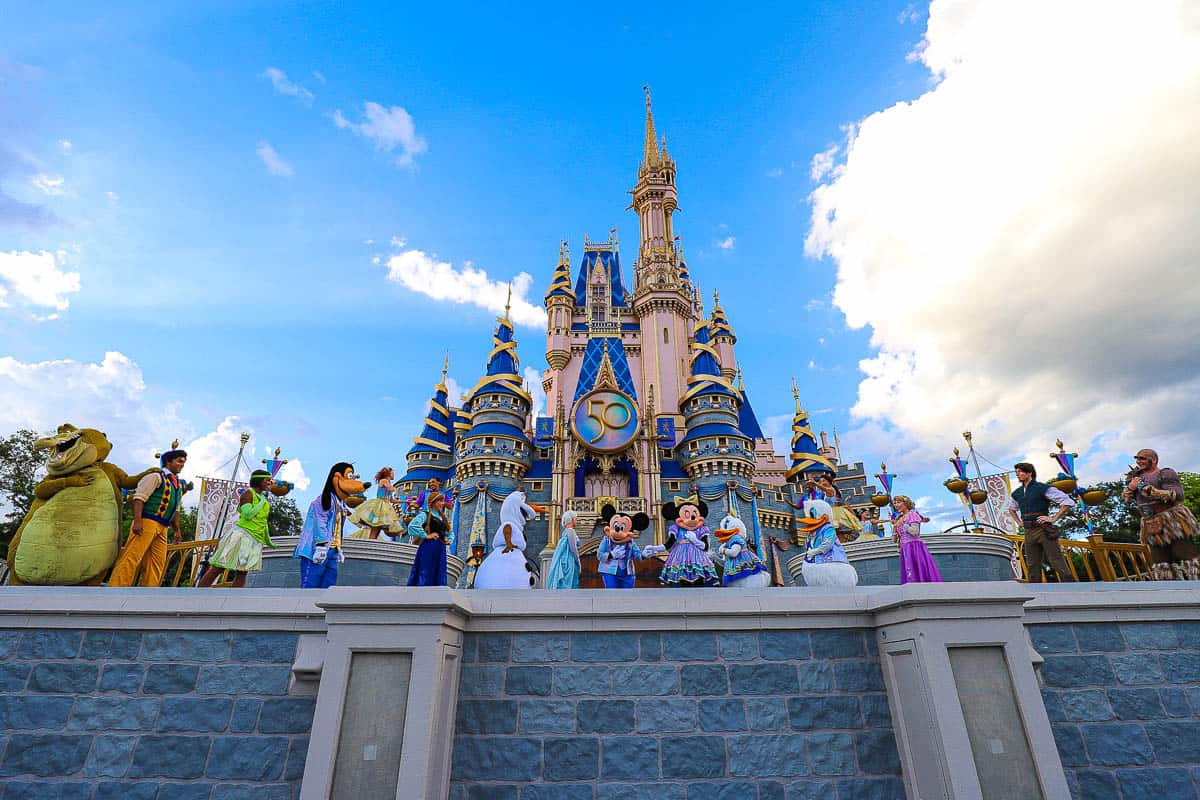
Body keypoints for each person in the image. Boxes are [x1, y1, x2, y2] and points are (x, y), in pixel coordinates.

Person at [109, 447, 187, 587]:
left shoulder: (178, 484)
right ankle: (116, 587)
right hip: (147, 521)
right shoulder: (155, 477)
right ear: (168, 462)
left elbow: (175, 509)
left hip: (163, 526)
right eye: (179, 461)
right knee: (132, 556)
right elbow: (139, 499)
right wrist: (138, 521)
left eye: (183, 462)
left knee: (157, 562)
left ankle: (148, 591)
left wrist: (177, 530)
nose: (182, 465)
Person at [1123, 449, 1199, 580]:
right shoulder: (1135, 477)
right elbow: (1126, 499)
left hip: (1171, 520)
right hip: (1150, 522)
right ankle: (1169, 591)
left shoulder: (1165, 473)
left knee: (1185, 554)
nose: (1138, 461)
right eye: (1137, 458)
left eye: (1142, 458)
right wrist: (1131, 488)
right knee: (1160, 561)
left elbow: (1177, 495)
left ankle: (1196, 584)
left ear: (1154, 460)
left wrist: (1150, 490)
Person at [294, 463, 369, 589]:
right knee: (310, 586)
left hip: (332, 551)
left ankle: (320, 609)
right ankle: (305, 609)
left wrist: (339, 549)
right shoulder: (324, 499)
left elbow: (337, 528)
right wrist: (321, 546)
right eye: (347, 477)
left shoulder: (340, 504)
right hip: (315, 550)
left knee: (328, 587)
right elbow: (320, 523)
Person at [197, 469, 275, 588]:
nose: (270, 482)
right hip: (242, 535)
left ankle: (233, 601)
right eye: (267, 480)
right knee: (219, 567)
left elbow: (262, 522)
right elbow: (248, 514)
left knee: (243, 571)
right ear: (259, 480)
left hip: (255, 539)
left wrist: (268, 541)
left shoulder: (263, 499)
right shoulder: (248, 494)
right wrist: (261, 502)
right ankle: (198, 594)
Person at [1007, 462, 1075, 583]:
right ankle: (1035, 591)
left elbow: (1067, 502)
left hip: (1043, 528)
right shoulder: (1017, 493)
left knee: (1056, 559)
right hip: (1028, 530)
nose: (1018, 474)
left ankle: (1071, 586)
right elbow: (1011, 508)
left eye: (1020, 472)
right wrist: (1019, 522)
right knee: (1032, 563)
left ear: (1029, 473)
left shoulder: (1042, 488)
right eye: (1017, 472)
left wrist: (1053, 518)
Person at [891, 495, 943, 584]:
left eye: (899, 502)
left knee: (918, 569)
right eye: (895, 503)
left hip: (914, 547)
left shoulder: (912, 514)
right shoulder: (899, 518)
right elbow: (894, 540)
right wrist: (894, 531)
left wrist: (904, 525)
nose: (896, 505)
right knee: (909, 572)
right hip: (905, 548)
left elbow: (915, 532)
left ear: (906, 503)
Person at [407, 491, 450, 586]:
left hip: (440, 548)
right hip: (429, 546)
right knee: (426, 568)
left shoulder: (443, 518)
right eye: (439, 501)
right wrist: (426, 535)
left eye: (442, 501)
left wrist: (447, 539)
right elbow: (412, 526)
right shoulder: (425, 515)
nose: (441, 503)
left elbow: (449, 532)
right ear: (433, 502)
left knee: (438, 570)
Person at [348, 467, 403, 541]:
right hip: (379, 505)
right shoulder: (384, 481)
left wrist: (406, 501)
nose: (394, 475)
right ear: (388, 473)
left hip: (386, 505)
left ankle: (372, 541)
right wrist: (398, 488)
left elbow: (392, 500)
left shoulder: (388, 483)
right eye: (392, 473)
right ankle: (371, 542)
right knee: (376, 526)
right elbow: (391, 489)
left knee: (378, 527)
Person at [544, 510, 581, 590]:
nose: (576, 521)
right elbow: (573, 548)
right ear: (571, 520)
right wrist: (578, 562)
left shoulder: (565, 532)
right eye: (576, 519)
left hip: (564, 559)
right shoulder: (571, 531)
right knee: (568, 584)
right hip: (568, 561)